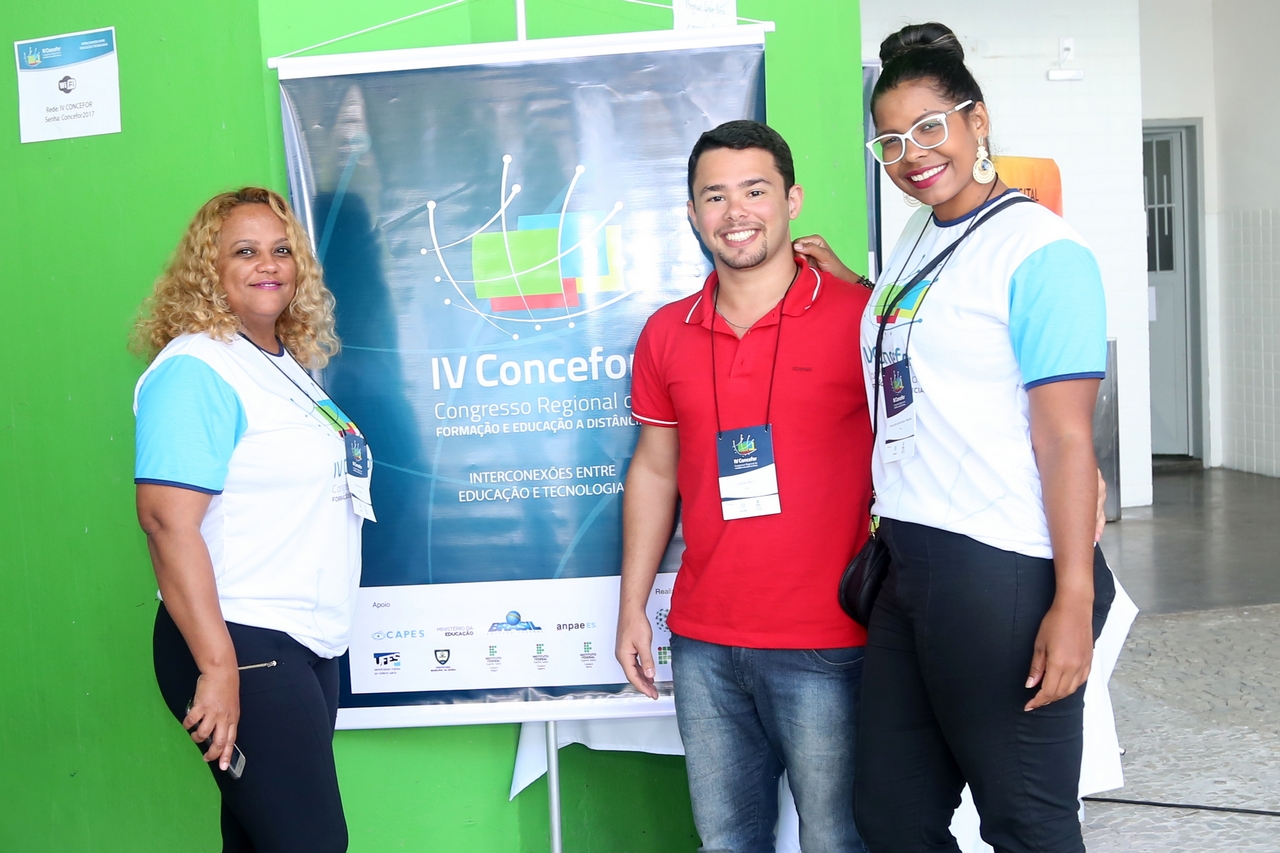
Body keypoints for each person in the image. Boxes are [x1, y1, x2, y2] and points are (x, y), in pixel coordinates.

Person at [796, 22, 1114, 853]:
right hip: (908, 558)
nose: (912, 155)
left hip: (999, 564)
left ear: (977, 120)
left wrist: (1073, 599)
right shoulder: (918, 236)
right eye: (891, 141)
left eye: (930, 127)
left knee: (1027, 822)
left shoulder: (1043, 251)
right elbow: (936, 329)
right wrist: (856, 286)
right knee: (893, 816)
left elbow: (1066, 438)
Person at [615, 121, 872, 853]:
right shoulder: (666, 331)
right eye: (715, 196)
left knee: (838, 840)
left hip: (831, 640)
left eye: (755, 191)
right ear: (692, 213)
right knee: (727, 841)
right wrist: (633, 606)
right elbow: (654, 469)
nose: (736, 213)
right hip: (705, 642)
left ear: (792, 200)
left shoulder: (861, 319)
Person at [132, 187, 372, 853]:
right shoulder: (197, 367)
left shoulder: (279, 364)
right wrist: (218, 666)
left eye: (281, 249)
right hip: (240, 639)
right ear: (208, 267)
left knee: (260, 839)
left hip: (302, 643)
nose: (268, 264)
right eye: (244, 251)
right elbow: (165, 522)